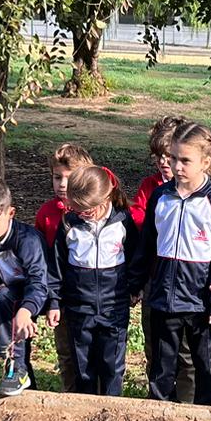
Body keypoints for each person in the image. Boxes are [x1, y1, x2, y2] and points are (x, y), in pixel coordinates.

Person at [133, 121, 211, 405]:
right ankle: (159, 416)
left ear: (206, 162)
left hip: (199, 301)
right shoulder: (160, 196)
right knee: (161, 367)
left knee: (205, 367)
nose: (176, 167)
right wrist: (135, 284)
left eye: (185, 160)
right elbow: (147, 245)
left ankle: (206, 417)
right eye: (174, 158)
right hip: (163, 298)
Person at [49, 166, 139, 396]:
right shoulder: (68, 224)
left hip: (114, 308)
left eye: (87, 210)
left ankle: (111, 408)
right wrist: (54, 301)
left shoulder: (122, 221)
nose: (82, 214)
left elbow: (135, 257)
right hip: (79, 308)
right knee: (84, 368)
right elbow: (57, 266)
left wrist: (134, 288)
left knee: (112, 367)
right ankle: (86, 407)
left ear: (105, 198)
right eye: (77, 209)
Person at [0, 178, 52, 397]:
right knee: (6, 295)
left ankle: (16, 367)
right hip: (14, 292)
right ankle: (22, 378)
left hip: (43, 292)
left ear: (11, 213)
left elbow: (39, 280)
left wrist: (26, 310)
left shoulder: (27, 241)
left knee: (10, 299)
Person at [131, 115, 192, 400]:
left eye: (169, 155)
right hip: (155, 277)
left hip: (186, 280)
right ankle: (158, 398)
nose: (163, 162)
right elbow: (140, 224)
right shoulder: (150, 187)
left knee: (185, 349)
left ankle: (188, 401)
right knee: (154, 342)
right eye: (158, 156)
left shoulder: (199, 191)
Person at [35, 142, 95, 393]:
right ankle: (70, 394)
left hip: (89, 292)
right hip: (59, 293)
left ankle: (96, 394)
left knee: (92, 349)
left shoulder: (93, 211)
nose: (62, 184)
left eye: (68, 178)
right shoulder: (47, 213)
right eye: (57, 177)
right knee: (66, 350)